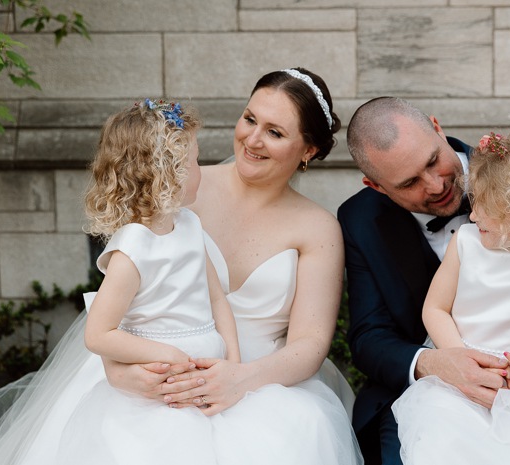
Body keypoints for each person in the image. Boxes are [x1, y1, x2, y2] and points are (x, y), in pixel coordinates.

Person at [96, 68, 363, 464]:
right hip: (157, 373)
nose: (252, 140)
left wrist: (239, 379)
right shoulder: (180, 188)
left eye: (275, 132)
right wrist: (119, 372)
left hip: (266, 383)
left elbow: (310, 344)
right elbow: (122, 299)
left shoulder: (318, 228)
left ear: (307, 150)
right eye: (250, 119)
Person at [337, 97, 510, 465]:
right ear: (376, 186)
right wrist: (441, 362)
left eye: (434, 161)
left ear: (437, 128)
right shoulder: (361, 219)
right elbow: (369, 335)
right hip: (432, 399)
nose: (436, 185)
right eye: (409, 183)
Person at [0, 98, 243, 464]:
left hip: (210, 379)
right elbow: (99, 333)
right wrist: (168, 355)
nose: (201, 169)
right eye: (193, 161)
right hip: (157, 389)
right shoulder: (133, 248)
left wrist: (234, 365)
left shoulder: (190, 225)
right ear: (166, 172)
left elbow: (217, 299)